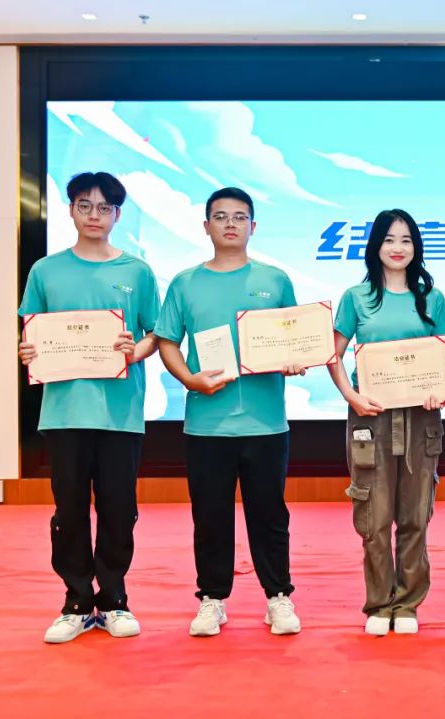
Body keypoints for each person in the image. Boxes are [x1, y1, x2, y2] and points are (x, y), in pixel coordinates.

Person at [18, 171, 160, 643]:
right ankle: (77, 602)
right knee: (70, 510)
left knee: (119, 509)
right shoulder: (46, 271)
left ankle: (114, 599)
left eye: (104, 208)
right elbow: (31, 332)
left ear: (117, 214)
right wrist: (27, 350)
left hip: (120, 414)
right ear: (71, 209)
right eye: (85, 205)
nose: (94, 215)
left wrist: (134, 351)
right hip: (63, 413)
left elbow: (155, 335)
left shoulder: (137, 271)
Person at [156, 187, 304, 637]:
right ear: (206, 226)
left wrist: (295, 358)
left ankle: (278, 597)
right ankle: (212, 599)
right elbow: (167, 341)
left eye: (240, 217)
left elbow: (294, 337)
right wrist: (189, 379)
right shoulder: (185, 283)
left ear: (253, 226)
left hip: (266, 422)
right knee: (210, 516)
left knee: (270, 515)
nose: (230, 224)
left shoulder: (275, 280)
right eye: (220, 216)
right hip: (206, 423)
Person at [329, 209, 445, 636]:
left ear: (416, 247)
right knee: (374, 517)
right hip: (371, 418)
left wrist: (438, 390)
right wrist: (352, 396)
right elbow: (333, 354)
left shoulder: (432, 298)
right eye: (389, 240)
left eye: (406, 240)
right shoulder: (357, 297)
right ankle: (380, 604)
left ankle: (408, 604)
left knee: (416, 515)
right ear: (375, 246)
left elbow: (441, 358)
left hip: (421, 417)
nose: (398, 248)